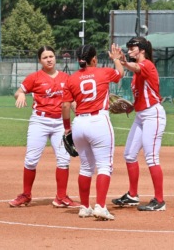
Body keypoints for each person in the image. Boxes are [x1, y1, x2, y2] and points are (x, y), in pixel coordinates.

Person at [9, 46, 79, 208]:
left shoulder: (66, 78)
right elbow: (19, 91)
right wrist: (19, 95)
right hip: (39, 122)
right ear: (40, 60)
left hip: (60, 123)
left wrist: (82, 113)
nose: (49, 59)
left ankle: (61, 197)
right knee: (31, 159)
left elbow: (71, 103)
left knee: (63, 159)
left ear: (56, 58)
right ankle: (26, 195)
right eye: (45, 57)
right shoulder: (34, 77)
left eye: (51, 56)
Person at [62, 43, 124, 220]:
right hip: (99, 121)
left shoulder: (71, 79)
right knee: (104, 166)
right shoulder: (103, 72)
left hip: (79, 123)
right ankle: (101, 207)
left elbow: (66, 105)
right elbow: (120, 74)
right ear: (94, 59)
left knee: (85, 167)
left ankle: (84, 207)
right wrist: (117, 59)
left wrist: (67, 129)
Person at [111, 36, 167, 211]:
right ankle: (133, 195)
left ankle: (159, 201)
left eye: (132, 48)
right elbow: (142, 93)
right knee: (129, 155)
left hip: (153, 115)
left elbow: (136, 67)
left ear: (142, 50)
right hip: (141, 115)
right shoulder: (137, 73)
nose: (129, 50)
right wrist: (130, 107)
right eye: (128, 48)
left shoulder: (147, 64)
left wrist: (124, 63)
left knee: (151, 157)